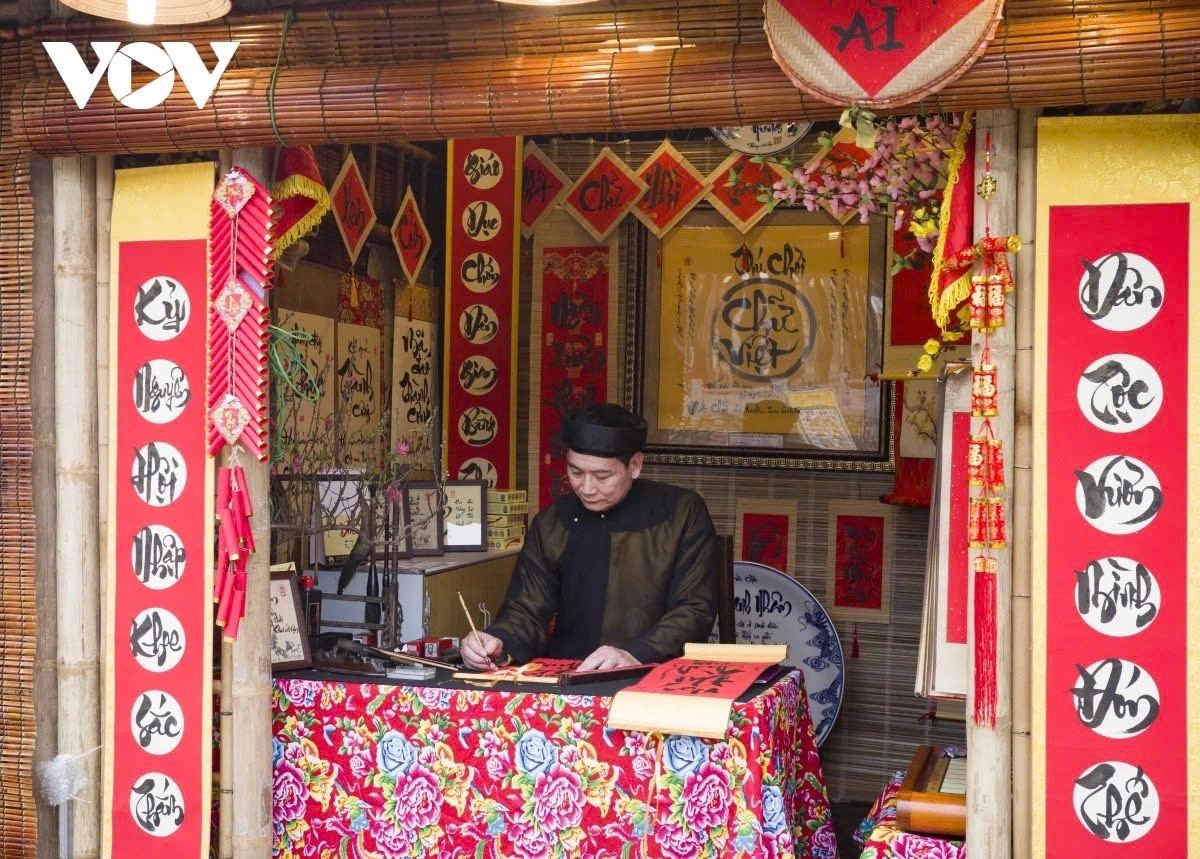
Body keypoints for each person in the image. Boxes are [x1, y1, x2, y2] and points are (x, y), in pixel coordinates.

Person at [461, 403, 720, 672]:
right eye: (575, 472)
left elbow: (694, 609)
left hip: (653, 673)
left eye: (602, 476)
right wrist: (498, 641)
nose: (586, 488)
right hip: (569, 674)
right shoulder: (552, 523)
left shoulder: (681, 513)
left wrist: (635, 654)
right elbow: (526, 610)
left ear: (635, 465)